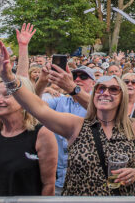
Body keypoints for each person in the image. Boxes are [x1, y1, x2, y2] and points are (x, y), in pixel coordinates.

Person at [0, 41, 135, 196]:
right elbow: (37, 108)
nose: (105, 93)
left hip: (120, 198)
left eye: (113, 90)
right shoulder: (76, 125)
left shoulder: (133, 127)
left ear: (122, 97)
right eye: (101, 89)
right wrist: (8, 77)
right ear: (94, 95)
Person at [35, 63, 94, 194]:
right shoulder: (60, 100)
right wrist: (43, 81)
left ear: (93, 83)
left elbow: (98, 110)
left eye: (83, 76)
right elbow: (35, 105)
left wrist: (73, 89)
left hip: (86, 178)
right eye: (74, 76)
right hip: (58, 176)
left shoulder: (99, 103)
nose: (77, 79)